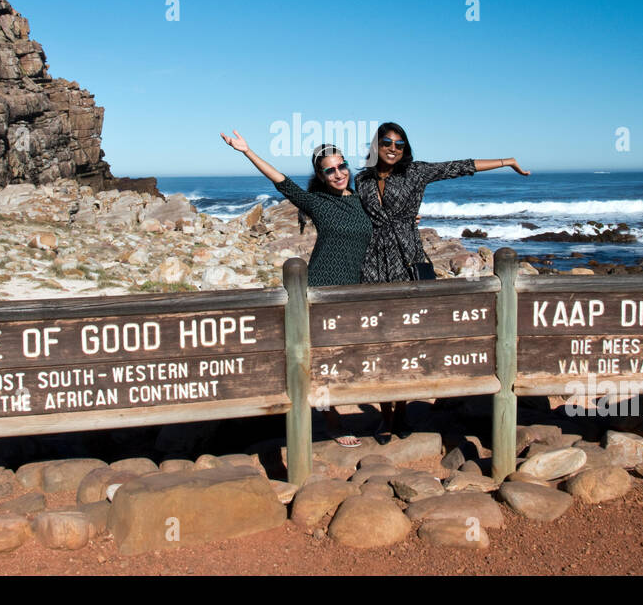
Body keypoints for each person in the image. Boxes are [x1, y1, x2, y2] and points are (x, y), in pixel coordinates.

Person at [354, 121, 530, 441]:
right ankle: (386, 415)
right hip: (372, 261)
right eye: (387, 142)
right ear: (376, 145)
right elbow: (353, 213)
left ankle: (403, 412)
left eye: (400, 144)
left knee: (411, 335)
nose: (393, 148)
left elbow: (460, 166)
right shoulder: (361, 179)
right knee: (380, 338)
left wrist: (506, 161)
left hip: (408, 258)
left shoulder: (417, 172)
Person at [221, 129, 372, 446]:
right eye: (329, 170)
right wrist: (247, 150)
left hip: (353, 291)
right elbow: (282, 182)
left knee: (346, 356)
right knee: (315, 358)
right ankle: (331, 419)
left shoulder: (363, 201)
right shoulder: (317, 203)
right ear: (321, 175)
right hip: (319, 289)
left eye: (341, 166)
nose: (338, 173)